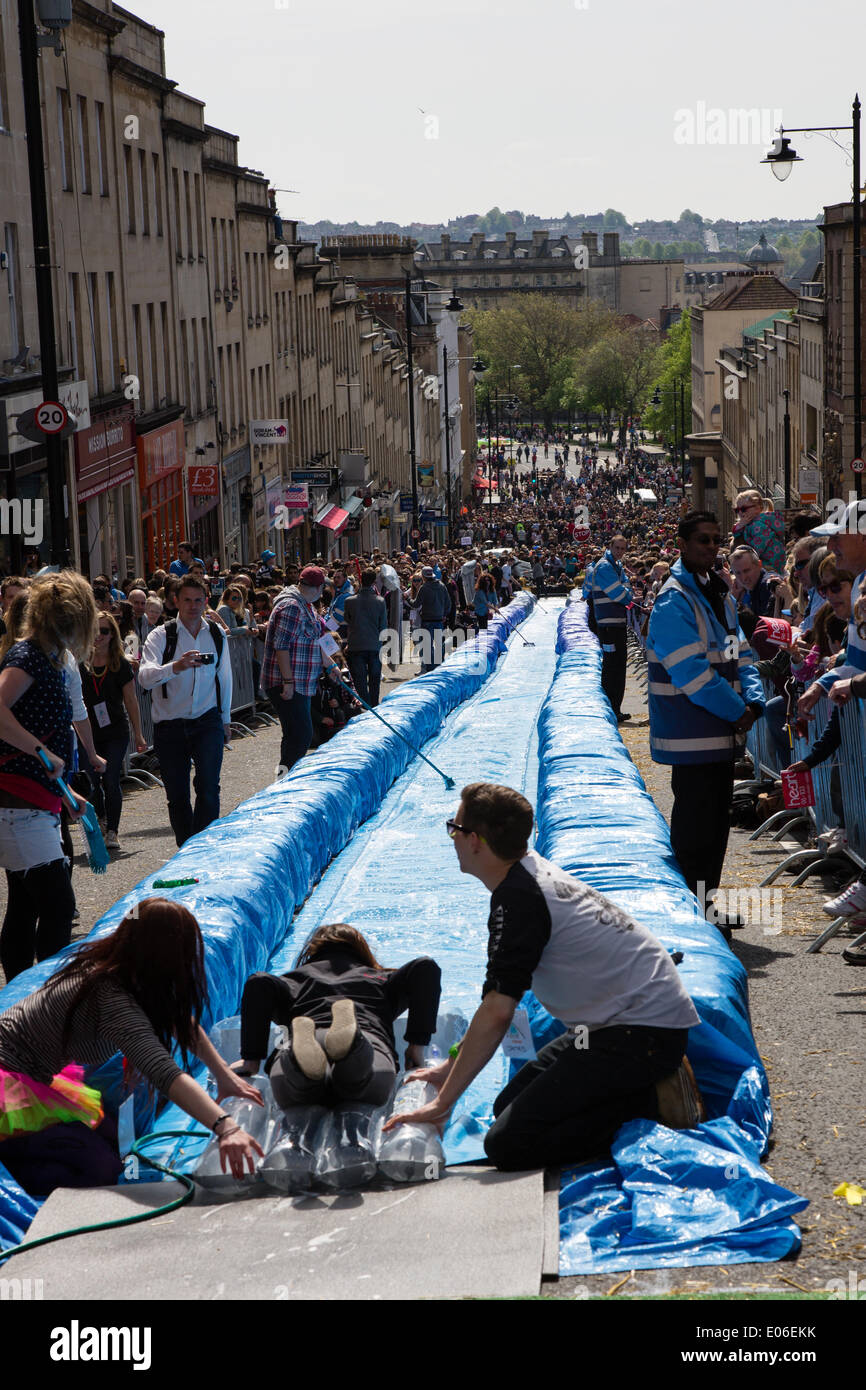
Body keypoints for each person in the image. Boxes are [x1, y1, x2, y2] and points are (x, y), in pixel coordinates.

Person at [383, 783, 700, 1169]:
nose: (451, 838)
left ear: (476, 840)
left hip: (638, 1035)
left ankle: (651, 1102)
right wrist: (451, 1066)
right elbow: (494, 1002)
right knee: (505, 1107)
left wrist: (441, 1103)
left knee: (509, 1145)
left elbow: (499, 1011)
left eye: (454, 827)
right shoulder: (523, 875)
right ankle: (631, 1091)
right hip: (605, 1029)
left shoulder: (520, 898)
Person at [0, 899, 264, 1194]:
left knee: (116, 1142)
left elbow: (180, 1020)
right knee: (101, 1170)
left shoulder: (123, 966)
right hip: (8, 1082)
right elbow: (165, 1073)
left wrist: (225, 1076)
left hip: (34, 1075)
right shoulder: (110, 995)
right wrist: (225, 1127)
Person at [647, 511, 765, 920]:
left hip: (718, 731)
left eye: (717, 540)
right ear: (682, 544)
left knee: (715, 832)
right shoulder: (674, 598)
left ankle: (704, 906)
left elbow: (739, 653)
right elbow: (692, 674)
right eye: (703, 540)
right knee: (696, 833)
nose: (712, 547)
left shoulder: (716, 592)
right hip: (691, 732)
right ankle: (691, 914)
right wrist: (739, 712)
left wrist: (753, 700)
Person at [0, 572, 95, 982]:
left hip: (33, 799)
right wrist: (40, 751)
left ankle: (23, 1003)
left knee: (27, 905)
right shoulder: (27, 656)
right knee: (56, 905)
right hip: (19, 804)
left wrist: (67, 788)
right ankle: (44, 1005)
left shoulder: (46, 656)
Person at [234, 922, 440, 1109]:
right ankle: (353, 1045)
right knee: (359, 1080)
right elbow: (425, 967)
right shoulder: (380, 979)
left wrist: (250, 1059)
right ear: (361, 952)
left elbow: (258, 983)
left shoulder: (292, 981)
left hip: (306, 1034)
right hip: (369, 1035)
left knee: (297, 1084)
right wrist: (416, 1045)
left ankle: (300, 1055)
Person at [138, 575, 233, 847]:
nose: (193, 606)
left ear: (206, 601)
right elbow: (145, 677)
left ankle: (202, 847)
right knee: (177, 795)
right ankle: (186, 847)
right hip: (170, 725)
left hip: (207, 720)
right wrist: (175, 667)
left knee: (208, 788)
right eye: (188, 600)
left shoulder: (215, 634)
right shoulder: (161, 635)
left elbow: (224, 678)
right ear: (175, 601)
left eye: (199, 600)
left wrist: (225, 720)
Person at [261, 565, 343, 773]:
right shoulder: (291, 607)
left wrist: (331, 664)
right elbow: (281, 646)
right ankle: (286, 778)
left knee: (296, 734)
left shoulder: (306, 605)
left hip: (302, 680)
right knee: (301, 734)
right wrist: (287, 682)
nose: (323, 593)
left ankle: (286, 777)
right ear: (314, 588)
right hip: (287, 681)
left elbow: (314, 641)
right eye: (322, 588)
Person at [79, 612, 147, 853]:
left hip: (116, 731)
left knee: (110, 779)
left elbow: (131, 700)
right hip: (87, 732)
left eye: (105, 631)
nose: (100, 636)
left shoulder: (121, 664)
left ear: (113, 635)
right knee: (91, 782)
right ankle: (101, 819)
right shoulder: (79, 662)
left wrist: (138, 734)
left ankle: (113, 831)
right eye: (96, 630)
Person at [591, 535, 633, 723]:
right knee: (612, 667)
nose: (620, 552)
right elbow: (620, 594)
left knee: (617, 666)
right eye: (617, 548)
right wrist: (627, 594)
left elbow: (625, 588)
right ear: (610, 546)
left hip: (616, 623)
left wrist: (626, 591)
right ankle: (611, 708)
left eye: (623, 549)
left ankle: (615, 707)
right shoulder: (606, 566)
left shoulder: (616, 566)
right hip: (608, 625)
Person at [344, 568, 387, 705]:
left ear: (361, 580)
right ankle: (373, 704)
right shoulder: (380, 601)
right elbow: (383, 626)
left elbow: (347, 620)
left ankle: (366, 704)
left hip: (356, 644)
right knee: (374, 679)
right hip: (374, 644)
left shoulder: (349, 601)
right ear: (374, 582)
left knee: (360, 679)